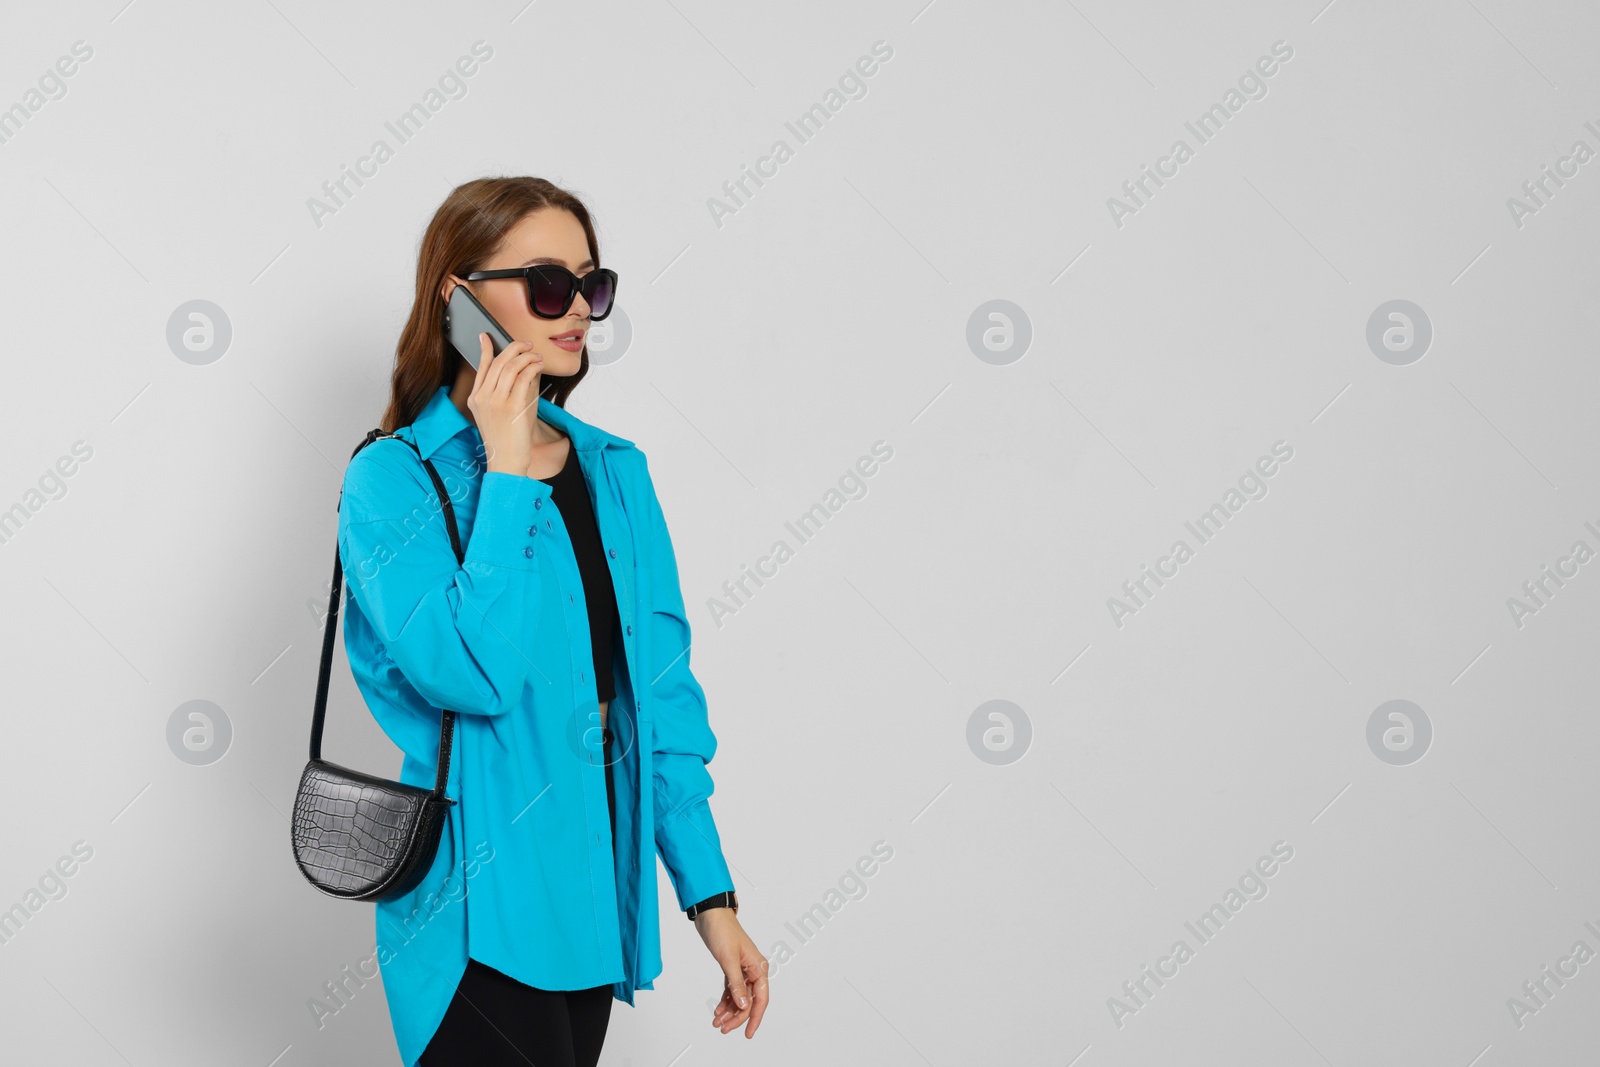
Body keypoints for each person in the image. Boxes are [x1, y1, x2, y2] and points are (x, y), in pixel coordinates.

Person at [336, 176, 769, 1066]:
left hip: (592, 910)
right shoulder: (391, 482)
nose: (577, 310)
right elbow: (473, 675)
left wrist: (710, 898)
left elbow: (661, 698)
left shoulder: (617, 471)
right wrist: (503, 469)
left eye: (590, 284)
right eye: (546, 284)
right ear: (459, 300)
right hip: (472, 921)